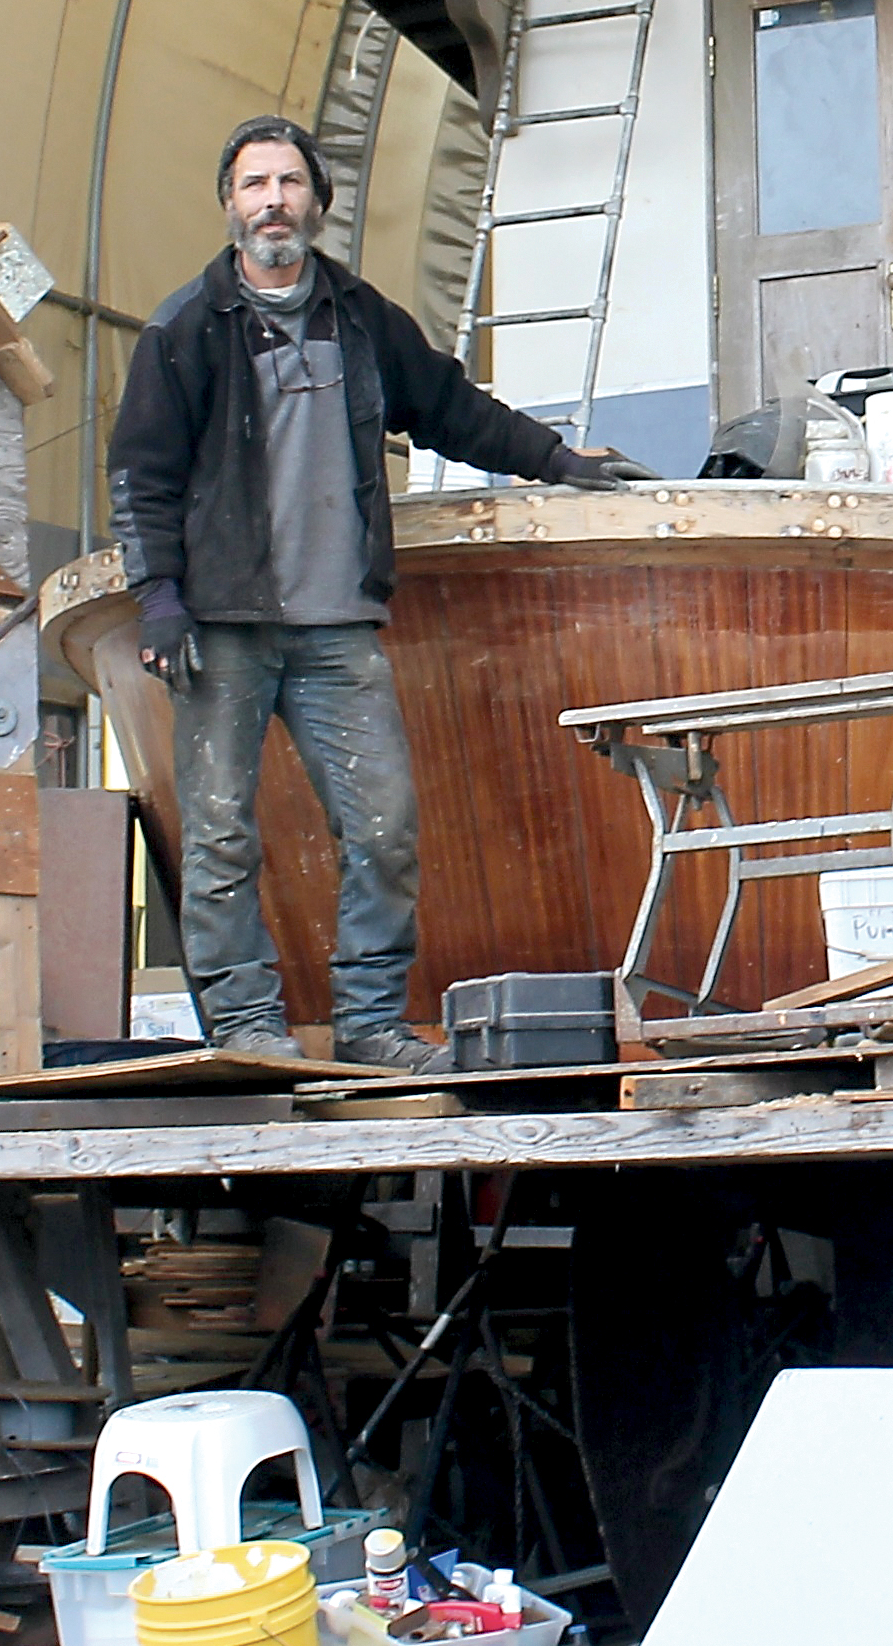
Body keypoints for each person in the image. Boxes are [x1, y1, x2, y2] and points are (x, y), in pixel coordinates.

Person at [107, 115, 654, 1070]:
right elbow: (140, 476)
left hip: (337, 628)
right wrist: (159, 596)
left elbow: (451, 408)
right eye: (252, 185)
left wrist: (557, 460)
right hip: (224, 629)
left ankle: (368, 1026)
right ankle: (246, 1030)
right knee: (223, 836)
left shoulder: (360, 319)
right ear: (230, 205)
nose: (271, 201)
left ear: (316, 200)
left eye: (287, 182)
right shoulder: (184, 330)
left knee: (386, 828)